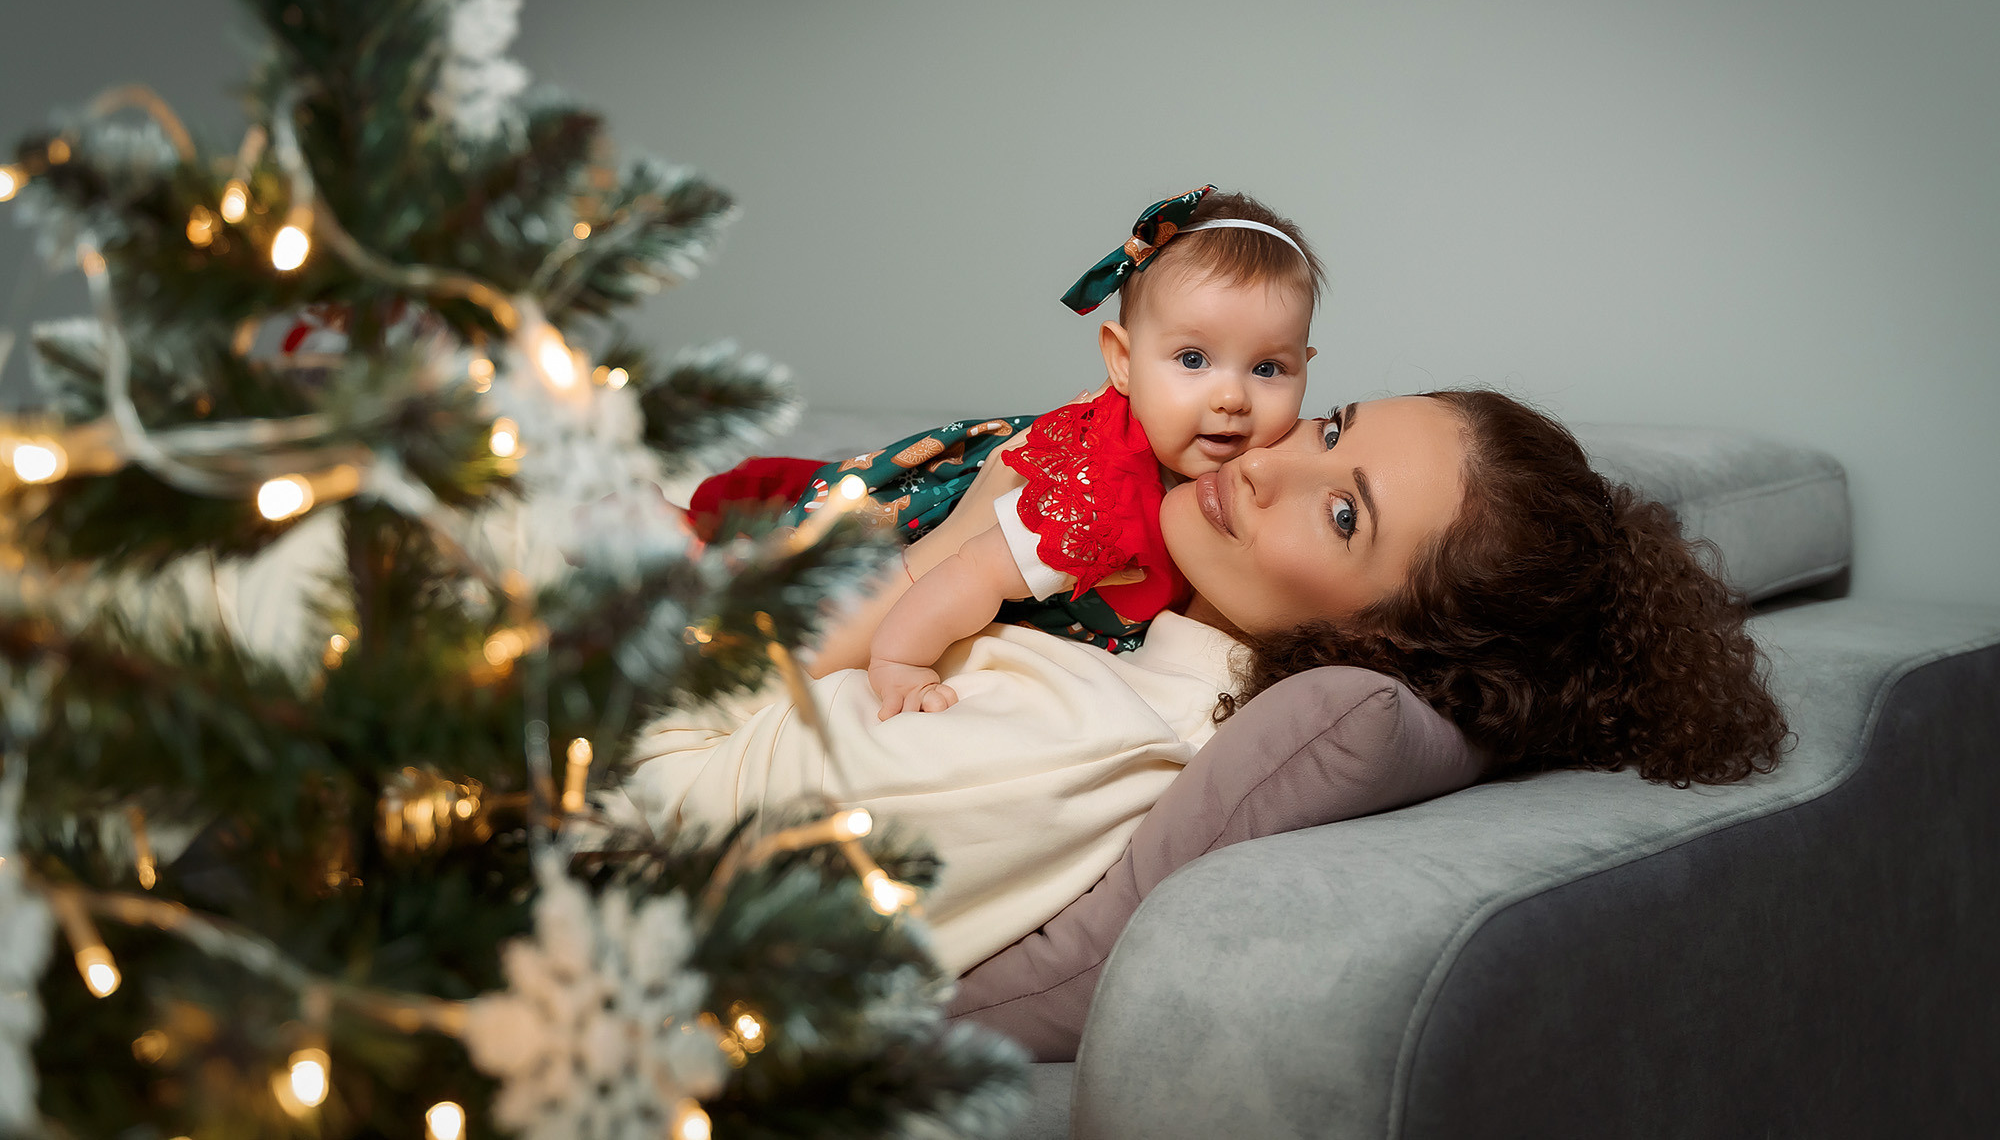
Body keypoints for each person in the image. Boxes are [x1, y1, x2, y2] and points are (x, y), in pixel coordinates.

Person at [619, 388, 1787, 973]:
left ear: (1383, 643)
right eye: (1329, 426)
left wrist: (935, 561)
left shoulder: (1094, 735)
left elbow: (672, 821)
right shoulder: (1119, 588)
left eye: (1341, 513)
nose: (1265, 458)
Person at [867, 186, 1323, 719]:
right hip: (951, 534)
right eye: (1193, 359)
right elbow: (974, 571)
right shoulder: (1096, 491)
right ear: (1123, 361)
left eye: (1268, 368)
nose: (1232, 399)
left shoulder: (1279, 464)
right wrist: (900, 660)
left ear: (1305, 367)